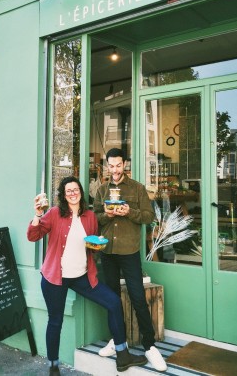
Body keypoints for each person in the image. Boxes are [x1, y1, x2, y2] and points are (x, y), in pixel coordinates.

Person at [27, 176, 147, 375]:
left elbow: (91, 243)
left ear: (81, 192)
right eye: (68, 191)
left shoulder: (90, 216)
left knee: (113, 302)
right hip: (55, 277)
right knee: (55, 321)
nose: (73, 193)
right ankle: (53, 366)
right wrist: (38, 215)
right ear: (63, 196)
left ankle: (122, 354)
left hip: (82, 276)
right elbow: (33, 236)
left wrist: (96, 246)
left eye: (76, 190)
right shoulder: (55, 213)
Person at [93, 148, 168, 372]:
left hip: (129, 252)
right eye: (111, 166)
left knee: (137, 297)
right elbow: (95, 217)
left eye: (118, 165)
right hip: (107, 252)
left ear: (125, 164)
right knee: (112, 300)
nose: (115, 170)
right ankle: (117, 342)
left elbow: (149, 216)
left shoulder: (137, 188)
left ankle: (150, 346)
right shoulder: (101, 189)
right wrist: (108, 215)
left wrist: (129, 212)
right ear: (107, 166)